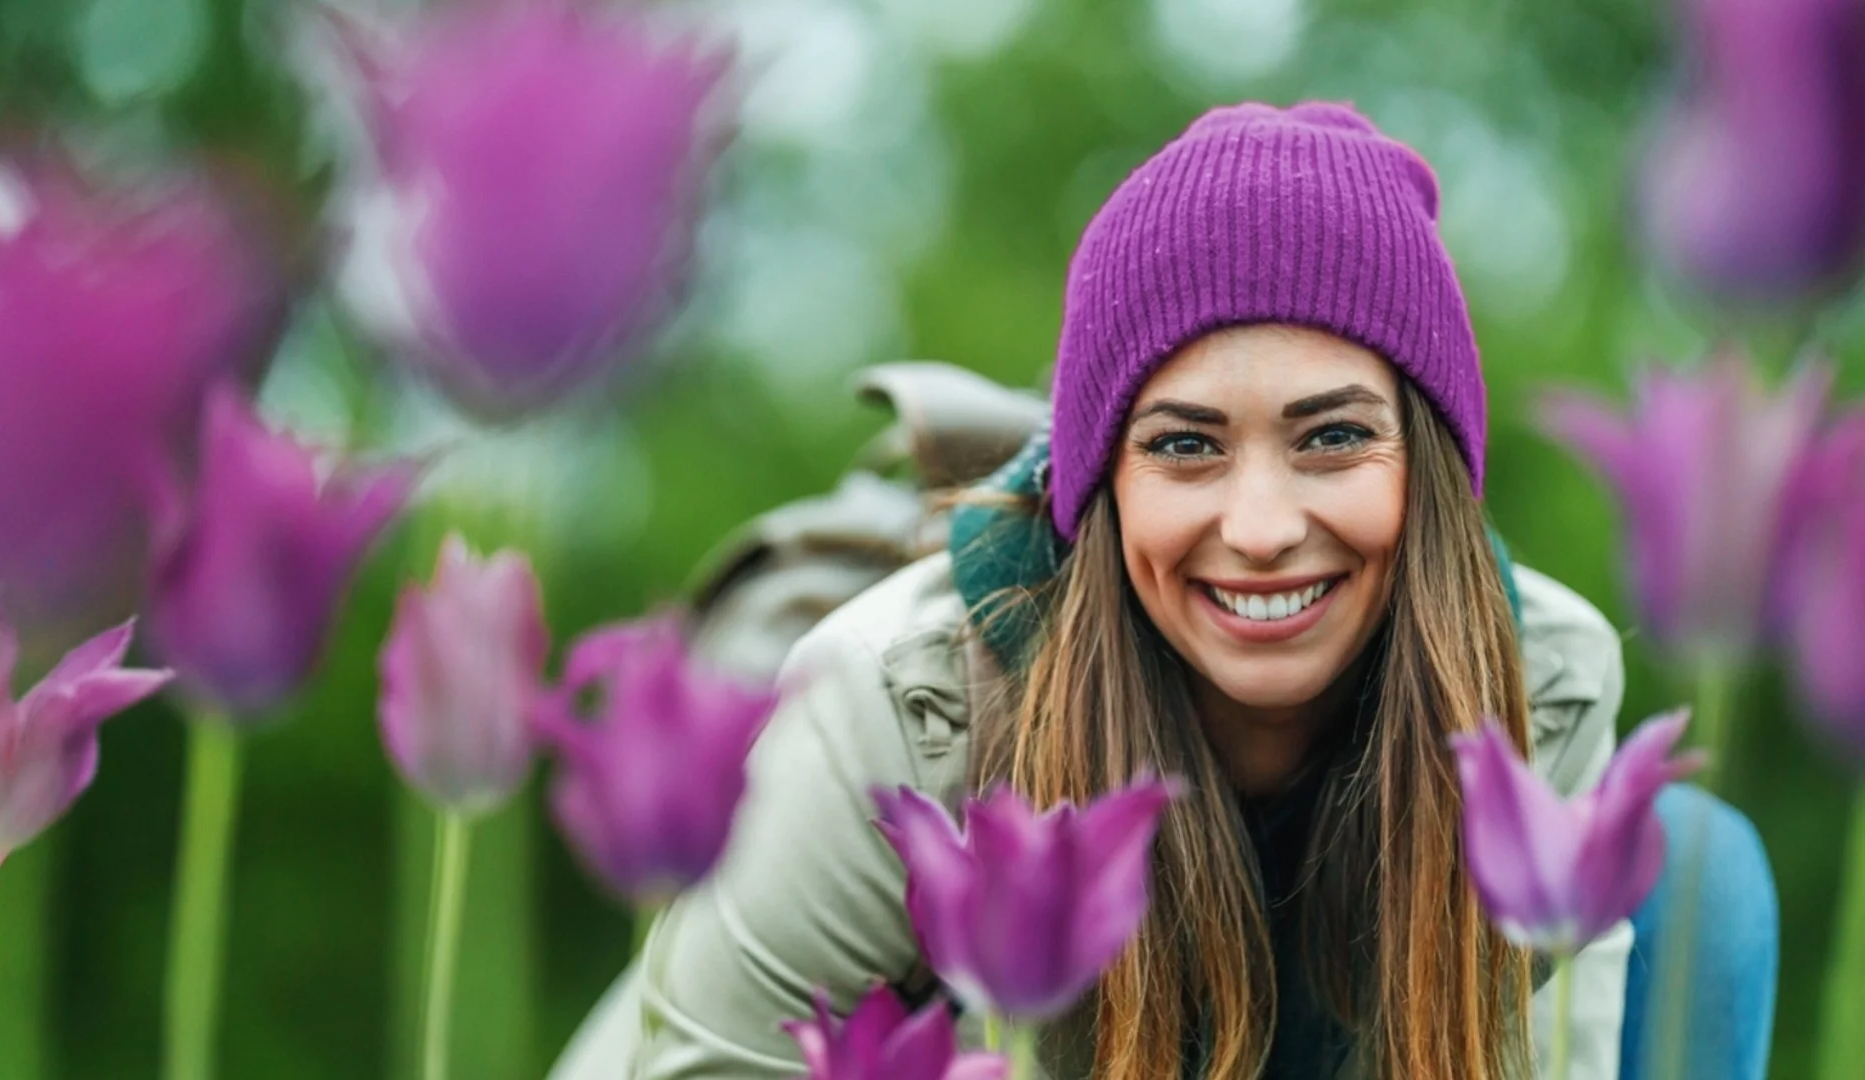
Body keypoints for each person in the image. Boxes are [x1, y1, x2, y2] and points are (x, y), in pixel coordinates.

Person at [554, 101, 1777, 1080]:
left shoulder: (1543, 689)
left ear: (1433, 475)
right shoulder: (891, 705)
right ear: (1099, 489)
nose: (1258, 529)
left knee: (1698, 867)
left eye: (1333, 438)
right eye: (1185, 445)